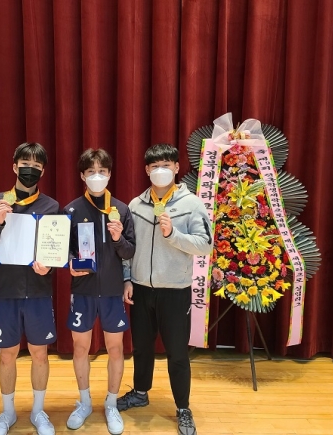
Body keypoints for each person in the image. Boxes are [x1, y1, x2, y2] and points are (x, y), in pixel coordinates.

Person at [117, 143, 213, 435]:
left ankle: (183, 407)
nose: (161, 170)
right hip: (141, 288)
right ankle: (140, 392)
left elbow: (205, 245)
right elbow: (129, 247)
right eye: (155, 166)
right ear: (147, 170)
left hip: (175, 290)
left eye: (166, 165)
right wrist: (127, 279)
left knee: (177, 352)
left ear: (176, 168)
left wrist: (173, 234)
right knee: (141, 347)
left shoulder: (191, 204)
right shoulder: (136, 205)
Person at [0, 142, 59, 435]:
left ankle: (38, 412)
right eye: (25, 164)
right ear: (14, 166)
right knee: (7, 355)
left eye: (36, 166)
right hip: (5, 293)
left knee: (40, 353)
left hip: (38, 292)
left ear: (43, 171)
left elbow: (56, 250)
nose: (30, 170)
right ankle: (7, 413)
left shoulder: (51, 206)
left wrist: (50, 266)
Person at [63, 148, 136, 435]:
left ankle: (111, 403)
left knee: (116, 349)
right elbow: (63, 250)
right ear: (82, 175)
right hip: (82, 291)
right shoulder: (71, 210)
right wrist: (70, 263)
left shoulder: (122, 209)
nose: (97, 176)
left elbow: (129, 251)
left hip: (112, 293)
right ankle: (84, 402)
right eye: (91, 171)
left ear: (109, 174)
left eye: (102, 171)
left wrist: (117, 238)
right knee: (80, 348)